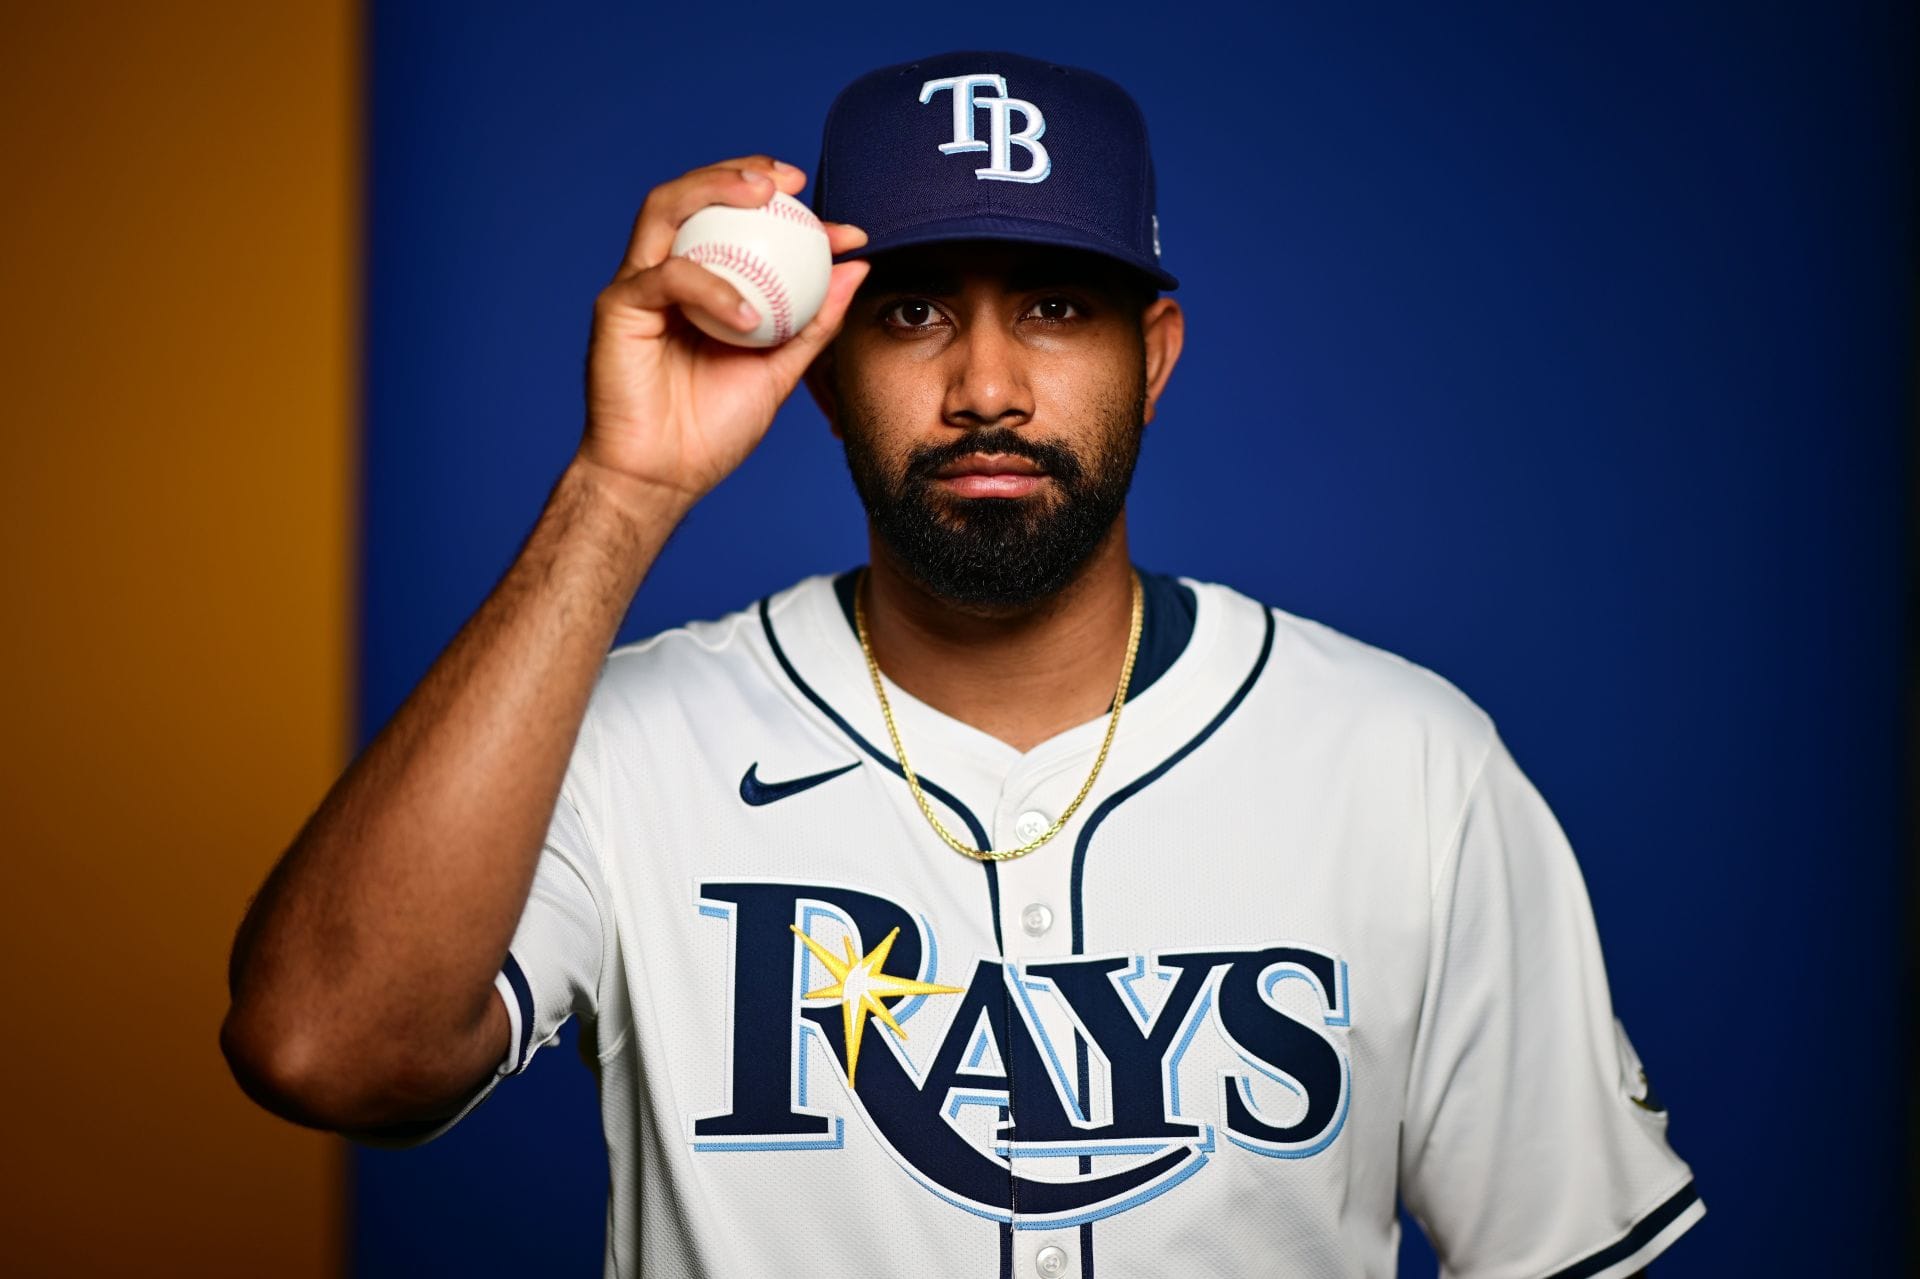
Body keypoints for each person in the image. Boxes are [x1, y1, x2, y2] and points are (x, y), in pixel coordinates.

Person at [222, 49, 1703, 1279]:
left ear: (1157, 354)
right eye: (916, 311)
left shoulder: (1404, 761)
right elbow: (322, 1052)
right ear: (814, 360)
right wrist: (625, 490)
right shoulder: (623, 744)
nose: (986, 387)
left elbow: (1563, 1247)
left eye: (1056, 307)